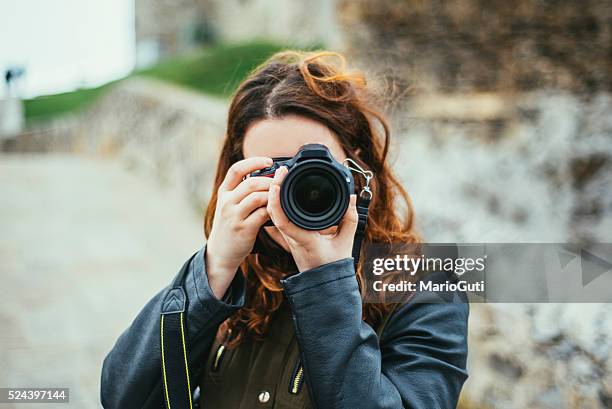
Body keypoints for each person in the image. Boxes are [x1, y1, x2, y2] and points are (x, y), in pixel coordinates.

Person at [100, 50, 469, 409]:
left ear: (359, 171)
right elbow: (122, 397)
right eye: (270, 172)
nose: (290, 190)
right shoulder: (231, 280)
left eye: (315, 168)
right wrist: (213, 268)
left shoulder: (431, 282)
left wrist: (326, 281)